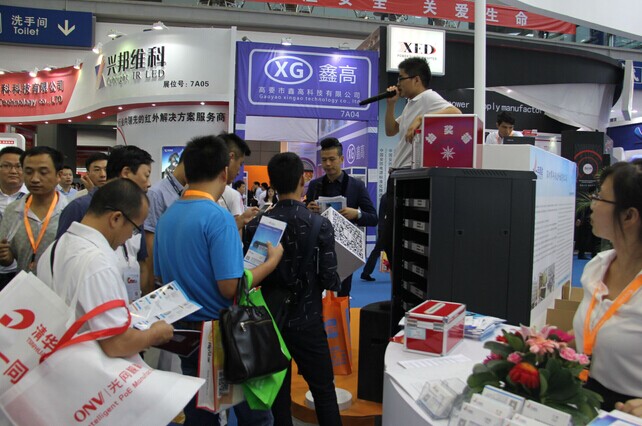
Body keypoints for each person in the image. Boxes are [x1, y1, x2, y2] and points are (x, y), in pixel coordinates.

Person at [154, 135, 282, 426]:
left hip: (184, 332)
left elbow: (161, 277)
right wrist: (271, 263)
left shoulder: (167, 217)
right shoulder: (218, 217)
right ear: (225, 171)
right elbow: (229, 287)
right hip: (222, 334)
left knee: (201, 411)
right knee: (256, 414)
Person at [246, 152, 342, 426]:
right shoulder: (320, 224)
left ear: (272, 184)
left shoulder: (256, 225)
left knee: (278, 396)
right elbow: (329, 279)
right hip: (308, 318)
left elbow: (251, 275)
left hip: (269, 321)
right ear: (302, 180)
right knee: (324, 391)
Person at [37, 178, 173, 357]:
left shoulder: (56, 247)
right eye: (134, 229)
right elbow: (117, 343)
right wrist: (155, 334)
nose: (130, 237)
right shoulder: (98, 264)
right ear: (116, 218)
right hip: (86, 366)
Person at [572, 161, 642, 411]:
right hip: (583, 399)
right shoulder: (597, 266)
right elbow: (597, 333)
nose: (591, 204)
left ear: (629, 216)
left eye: (600, 197)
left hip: (628, 412)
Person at [382, 56, 461, 267]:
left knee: (397, 238)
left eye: (401, 78)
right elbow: (391, 130)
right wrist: (391, 105)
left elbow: (455, 112)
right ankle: (397, 284)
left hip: (408, 174)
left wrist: (421, 119)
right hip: (396, 174)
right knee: (392, 240)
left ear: (416, 79)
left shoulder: (428, 97)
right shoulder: (410, 103)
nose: (398, 83)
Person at [56, 145, 153, 303]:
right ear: (126, 173)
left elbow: (141, 261)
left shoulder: (134, 209)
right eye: (146, 175)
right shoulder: (80, 208)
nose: (148, 183)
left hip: (130, 303)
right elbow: (63, 263)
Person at [306, 137, 377, 297]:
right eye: (324, 160)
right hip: (317, 249)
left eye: (332, 159)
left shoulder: (356, 186)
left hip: (344, 251)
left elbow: (373, 217)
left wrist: (356, 214)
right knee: (315, 294)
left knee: (342, 295)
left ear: (342, 159)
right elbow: (306, 218)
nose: (328, 164)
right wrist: (308, 210)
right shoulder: (315, 185)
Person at [0, 146, 68, 274]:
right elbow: (8, 259)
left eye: (43, 172)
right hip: (23, 282)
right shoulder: (13, 210)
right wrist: (5, 257)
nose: (35, 179)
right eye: (29, 172)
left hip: (59, 284)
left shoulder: (69, 210)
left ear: (58, 175)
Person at [143, 150, 187, 294]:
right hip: (163, 281)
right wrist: (150, 284)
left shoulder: (186, 192)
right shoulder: (157, 193)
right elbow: (150, 240)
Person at [217, 133, 259, 234]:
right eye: (240, 164)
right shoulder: (207, 203)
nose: (239, 171)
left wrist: (242, 220)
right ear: (231, 158)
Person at [0, 147, 28, 289]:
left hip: (21, 272)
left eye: (18, 166)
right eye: (6, 166)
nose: (13, 171)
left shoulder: (33, 198)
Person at [361, 194, 387, 281]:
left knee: (377, 251)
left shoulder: (384, 196)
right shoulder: (389, 197)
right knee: (377, 251)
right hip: (386, 228)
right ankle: (366, 273)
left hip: (382, 227)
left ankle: (366, 273)